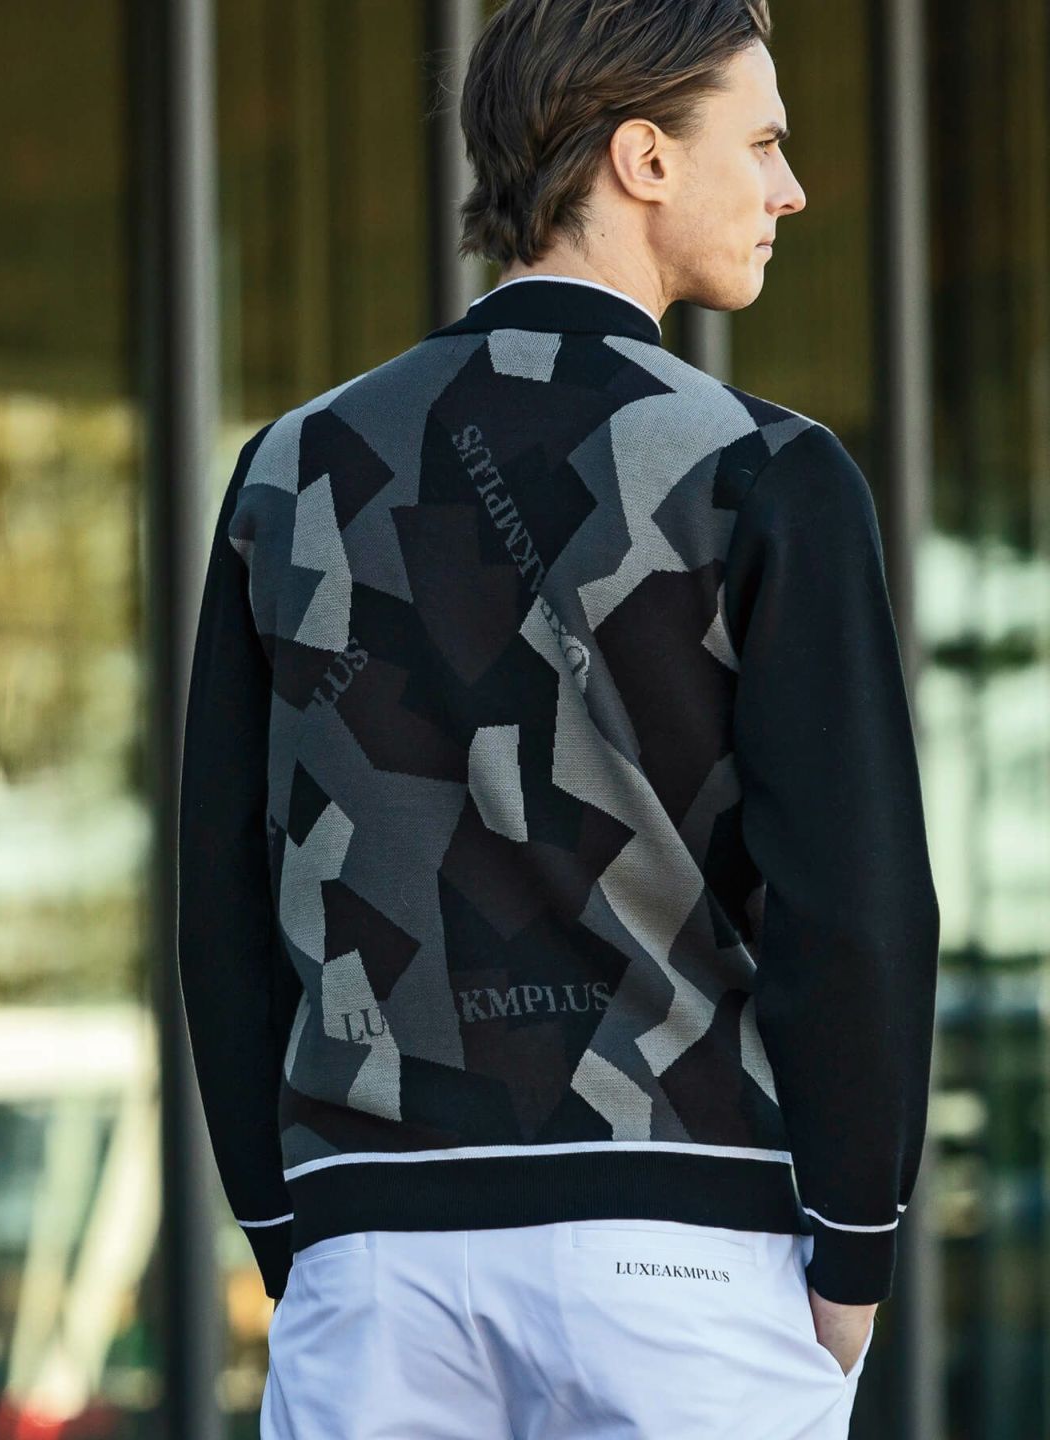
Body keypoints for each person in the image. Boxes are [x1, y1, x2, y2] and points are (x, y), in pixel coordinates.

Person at [176, 1, 941, 1435]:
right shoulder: (762, 472)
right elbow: (854, 903)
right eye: (761, 144)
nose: (790, 189)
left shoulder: (291, 468)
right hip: (685, 1247)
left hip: (375, 1250)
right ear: (644, 159)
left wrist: (289, 1223)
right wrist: (855, 1238)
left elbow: (223, 891)